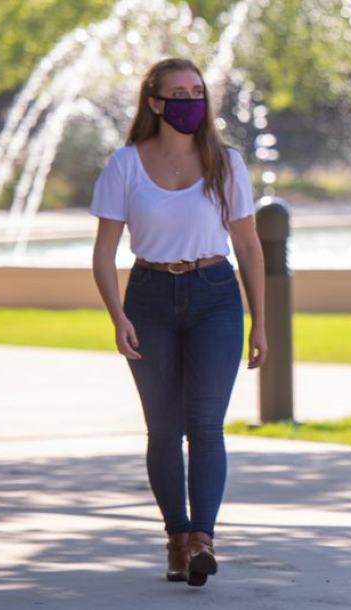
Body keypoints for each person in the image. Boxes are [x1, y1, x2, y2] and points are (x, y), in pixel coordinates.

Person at [89, 57, 267, 587]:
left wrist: (260, 321)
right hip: (148, 297)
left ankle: (203, 541)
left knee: (206, 426)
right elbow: (103, 252)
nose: (192, 101)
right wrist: (116, 313)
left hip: (214, 294)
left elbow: (249, 245)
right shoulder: (124, 165)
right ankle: (176, 539)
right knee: (164, 430)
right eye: (179, 93)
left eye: (198, 91)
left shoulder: (226, 162)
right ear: (155, 102)